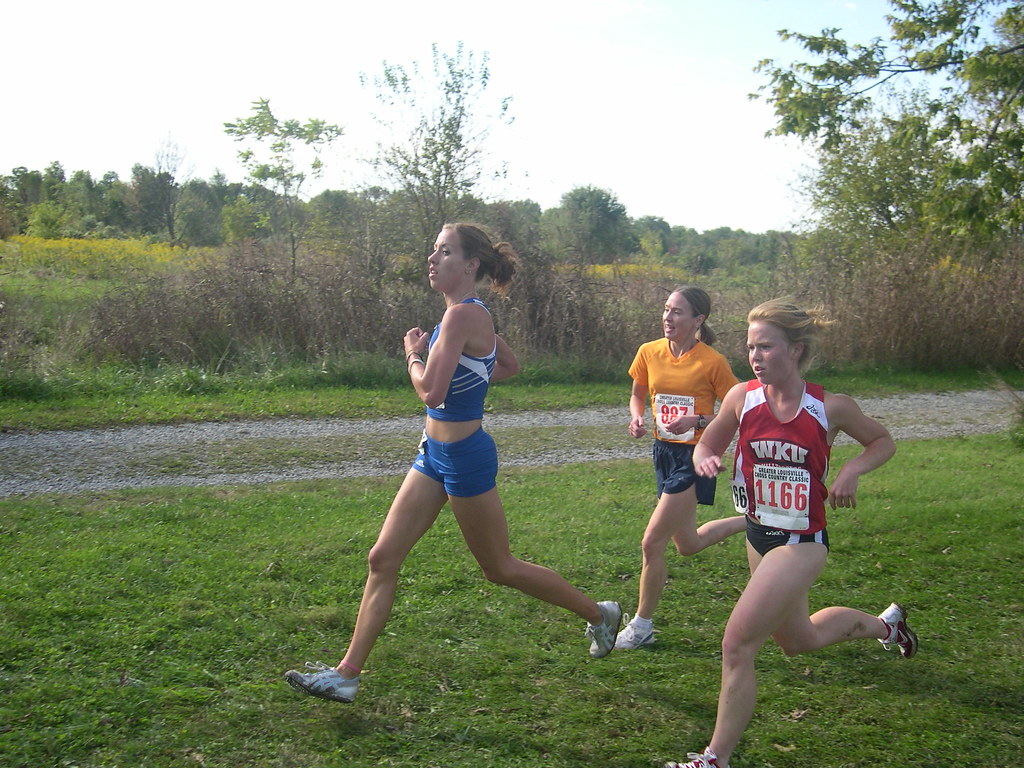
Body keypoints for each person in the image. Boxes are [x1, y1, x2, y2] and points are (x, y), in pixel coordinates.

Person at [284, 222, 621, 704]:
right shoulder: (464, 316)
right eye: (433, 251)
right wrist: (470, 368)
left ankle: (599, 614)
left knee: (499, 567)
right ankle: (346, 674)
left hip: (465, 457)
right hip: (432, 453)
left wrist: (412, 355)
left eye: (444, 252)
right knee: (382, 558)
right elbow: (507, 366)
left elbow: (431, 390)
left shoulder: (463, 317)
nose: (432, 259)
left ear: (471, 265)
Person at [661, 298, 917, 768]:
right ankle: (887, 625)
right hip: (759, 535)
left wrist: (852, 471)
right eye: (750, 347)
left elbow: (883, 441)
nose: (755, 357)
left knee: (737, 643)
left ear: (796, 349)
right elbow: (709, 442)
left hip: (802, 543)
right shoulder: (741, 398)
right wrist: (706, 459)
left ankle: (713, 759)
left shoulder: (830, 407)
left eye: (766, 347)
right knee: (798, 640)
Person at [616, 287, 744, 650]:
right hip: (663, 453)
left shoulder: (712, 361)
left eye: (677, 312)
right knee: (687, 544)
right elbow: (637, 393)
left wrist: (698, 418)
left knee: (651, 542)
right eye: (666, 310)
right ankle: (755, 521)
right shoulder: (648, 352)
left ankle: (642, 626)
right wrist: (637, 417)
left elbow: (737, 410)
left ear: (697, 320)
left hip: (695, 457)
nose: (668, 318)